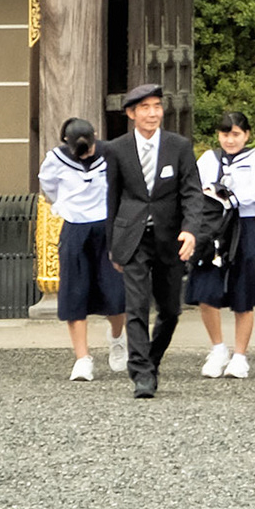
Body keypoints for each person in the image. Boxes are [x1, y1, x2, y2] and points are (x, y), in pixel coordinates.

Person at [103, 83, 200, 398]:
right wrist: (113, 245)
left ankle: (151, 361)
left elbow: (192, 191)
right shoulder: (116, 149)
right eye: (144, 108)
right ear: (131, 113)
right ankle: (142, 374)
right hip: (132, 237)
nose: (152, 113)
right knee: (137, 307)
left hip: (168, 236)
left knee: (171, 310)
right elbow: (112, 199)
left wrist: (191, 229)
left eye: (156, 106)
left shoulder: (179, 146)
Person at [37, 116, 129, 381]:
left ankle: (117, 337)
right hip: (75, 227)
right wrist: (68, 206)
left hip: (106, 225)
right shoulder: (55, 159)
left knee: (115, 291)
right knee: (74, 293)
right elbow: (49, 187)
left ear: (95, 136)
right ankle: (82, 358)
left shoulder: (111, 153)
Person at [188, 110, 255, 381]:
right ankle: (218, 348)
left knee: (243, 292)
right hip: (213, 228)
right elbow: (196, 190)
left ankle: (240, 356)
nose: (230, 140)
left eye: (236, 134)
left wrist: (229, 198)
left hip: (244, 225)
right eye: (225, 134)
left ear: (246, 135)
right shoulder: (208, 159)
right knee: (205, 288)